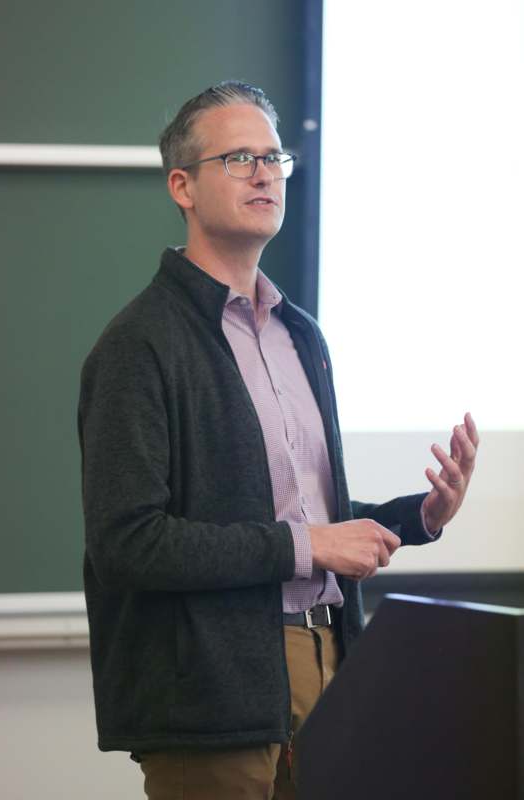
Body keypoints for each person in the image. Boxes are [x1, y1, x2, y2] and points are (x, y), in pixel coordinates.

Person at [78, 81, 479, 800]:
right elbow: (128, 542)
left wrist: (416, 517)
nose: (264, 173)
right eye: (237, 158)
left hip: (334, 663)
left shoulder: (302, 335)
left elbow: (305, 515)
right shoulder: (139, 344)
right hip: (211, 695)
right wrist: (309, 546)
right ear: (183, 186)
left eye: (273, 157)